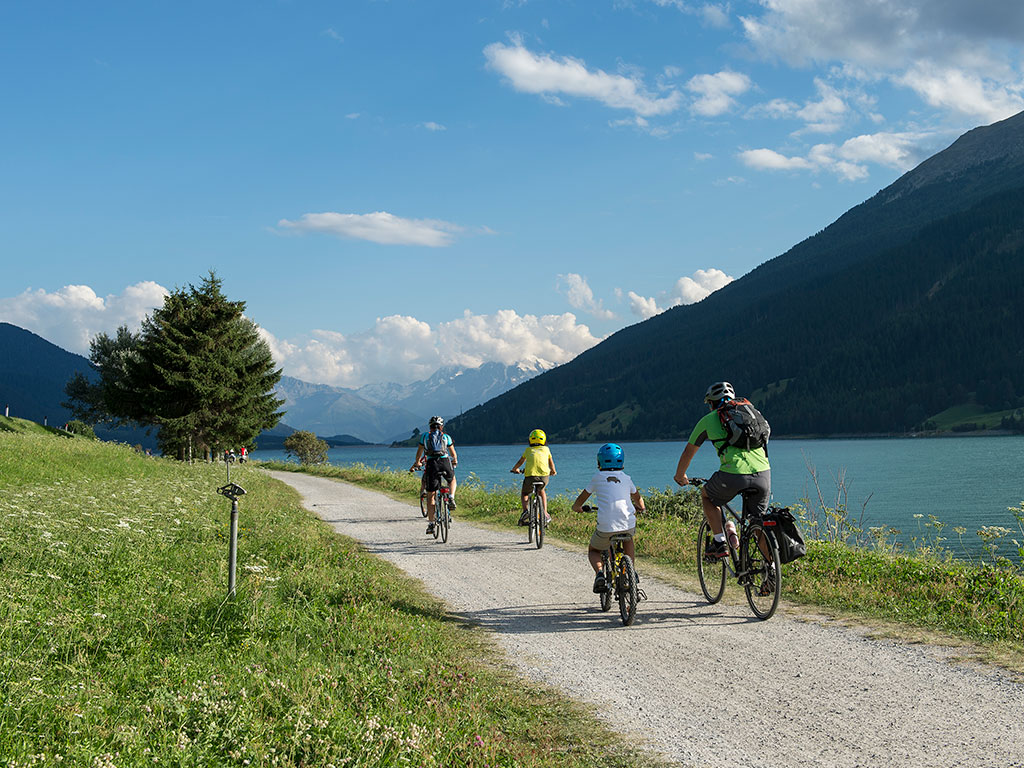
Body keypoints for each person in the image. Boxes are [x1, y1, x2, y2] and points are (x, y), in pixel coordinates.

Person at [673, 381, 772, 561]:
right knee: (758, 522)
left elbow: (688, 452)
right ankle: (771, 572)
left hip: (733, 474)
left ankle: (720, 542)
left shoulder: (709, 420)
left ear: (712, 403)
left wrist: (680, 476)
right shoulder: (751, 413)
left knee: (707, 496)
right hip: (763, 473)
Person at [571, 443, 645, 594]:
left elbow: (582, 499)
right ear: (622, 462)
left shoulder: (597, 478)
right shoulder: (627, 478)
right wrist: (641, 508)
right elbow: (638, 498)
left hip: (606, 526)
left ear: (599, 462)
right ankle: (631, 571)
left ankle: (600, 574)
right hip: (627, 523)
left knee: (594, 549)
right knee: (628, 538)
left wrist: (577, 508)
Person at [410, 415, 458, 536]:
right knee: (452, 480)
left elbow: (419, 453)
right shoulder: (446, 437)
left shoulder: (425, 436)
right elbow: (453, 454)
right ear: (441, 426)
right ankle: (451, 497)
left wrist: (417, 462)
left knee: (431, 494)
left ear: (430, 426)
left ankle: (431, 523)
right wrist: (455, 461)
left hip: (432, 464)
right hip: (444, 462)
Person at [510, 428, 556, 525]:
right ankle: (545, 513)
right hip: (544, 477)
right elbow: (551, 462)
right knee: (541, 490)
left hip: (530, 476)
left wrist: (515, 469)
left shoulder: (528, 450)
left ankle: (526, 510)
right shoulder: (546, 449)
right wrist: (553, 471)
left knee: (525, 493)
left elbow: (520, 461)